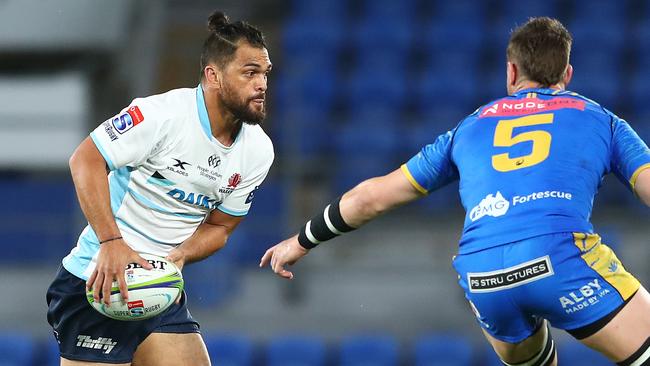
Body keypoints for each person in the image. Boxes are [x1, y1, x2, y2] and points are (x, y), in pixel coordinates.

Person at [261, 17, 650, 366]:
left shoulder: (468, 128)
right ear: (567, 72)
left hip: (483, 276)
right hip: (557, 257)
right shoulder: (602, 120)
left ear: (511, 71)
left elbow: (370, 197)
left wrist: (301, 241)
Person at [46, 10, 274, 366]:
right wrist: (111, 242)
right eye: (250, 72)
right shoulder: (161, 116)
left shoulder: (258, 151)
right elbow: (85, 160)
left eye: (264, 73)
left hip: (156, 289)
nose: (261, 84)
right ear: (213, 76)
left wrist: (181, 255)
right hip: (99, 283)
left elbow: (219, 227)